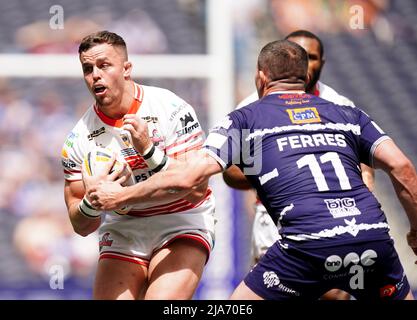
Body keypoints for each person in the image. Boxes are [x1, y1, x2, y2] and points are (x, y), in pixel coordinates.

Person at [87, 39, 417, 300]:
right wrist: (415, 233)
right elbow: (402, 168)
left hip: (306, 244)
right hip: (371, 237)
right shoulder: (347, 113)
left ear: (260, 77)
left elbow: (189, 177)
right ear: (305, 77)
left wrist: (120, 196)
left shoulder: (246, 118)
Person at [61, 30, 215, 300]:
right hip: (125, 226)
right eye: (88, 68)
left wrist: (149, 151)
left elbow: (196, 190)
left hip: (181, 220)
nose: (95, 74)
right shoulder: (78, 140)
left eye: (104, 65)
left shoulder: (170, 108)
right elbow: (81, 225)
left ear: (127, 68)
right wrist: (92, 202)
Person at [224, 30, 374, 300]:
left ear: (319, 64)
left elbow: (366, 164)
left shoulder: (339, 105)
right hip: (275, 220)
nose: (306, 61)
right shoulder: (249, 108)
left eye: (312, 56)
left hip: (334, 217)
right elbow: (230, 172)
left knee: (336, 294)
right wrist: (274, 169)